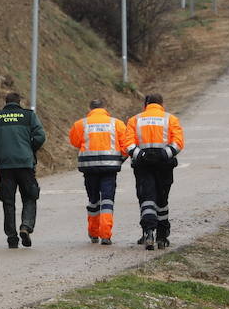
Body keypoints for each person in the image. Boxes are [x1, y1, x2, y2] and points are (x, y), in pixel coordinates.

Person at [0, 92, 47, 249]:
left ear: (5, 102)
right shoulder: (28, 116)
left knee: (8, 200)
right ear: (20, 102)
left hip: (5, 165)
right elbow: (40, 136)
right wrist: (29, 149)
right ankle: (26, 226)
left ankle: (12, 237)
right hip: (25, 163)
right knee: (30, 195)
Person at [68, 98, 133, 245]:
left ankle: (93, 233)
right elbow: (126, 145)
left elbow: (75, 142)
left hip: (89, 168)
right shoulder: (116, 123)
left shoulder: (81, 124)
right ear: (104, 108)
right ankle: (105, 235)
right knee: (107, 200)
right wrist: (119, 159)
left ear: (90, 108)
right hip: (109, 168)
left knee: (93, 201)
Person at [127, 93, 185, 251]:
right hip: (164, 164)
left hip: (142, 165)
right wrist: (163, 154)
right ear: (161, 103)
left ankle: (148, 232)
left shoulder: (135, 120)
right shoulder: (170, 119)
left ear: (146, 104)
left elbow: (128, 144)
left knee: (147, 198)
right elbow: (178, 143)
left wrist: (143, 155)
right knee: (162, 200)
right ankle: (162, 235)